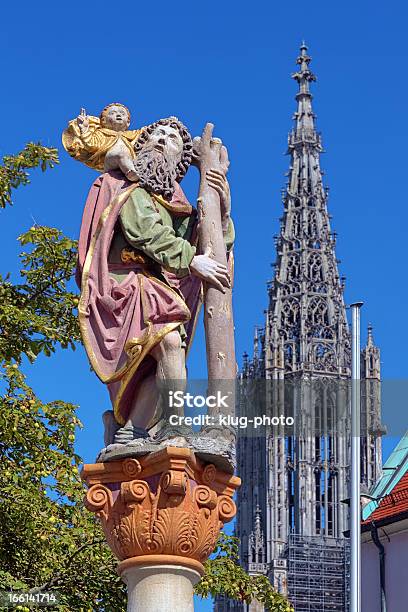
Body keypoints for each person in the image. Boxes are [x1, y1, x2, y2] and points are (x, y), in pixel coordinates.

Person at [76, 116, 233, 447]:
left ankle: (132, 430)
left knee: (162, 356)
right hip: (124, 284)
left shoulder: (176, 203)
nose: (163, 140)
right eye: (157, 135)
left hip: (155, 288)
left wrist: (221, 208)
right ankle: (174, 427)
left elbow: (210, 240)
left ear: (180, 161)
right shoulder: (130, 188)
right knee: (168, 345)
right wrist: (190, 260)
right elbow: (143, 230)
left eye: (172, 140)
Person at [62, 103, 141, 179]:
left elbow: (147, 131)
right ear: (103, 121)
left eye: (122, 113)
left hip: (128, 159)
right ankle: (131, 173)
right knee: (119, 152)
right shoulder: (101, 133)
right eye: (113, 113)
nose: (118, 115)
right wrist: (84, 129)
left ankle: (133, 170)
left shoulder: (132, 134)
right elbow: (91, 145)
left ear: (128, 122)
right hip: (110, 160)